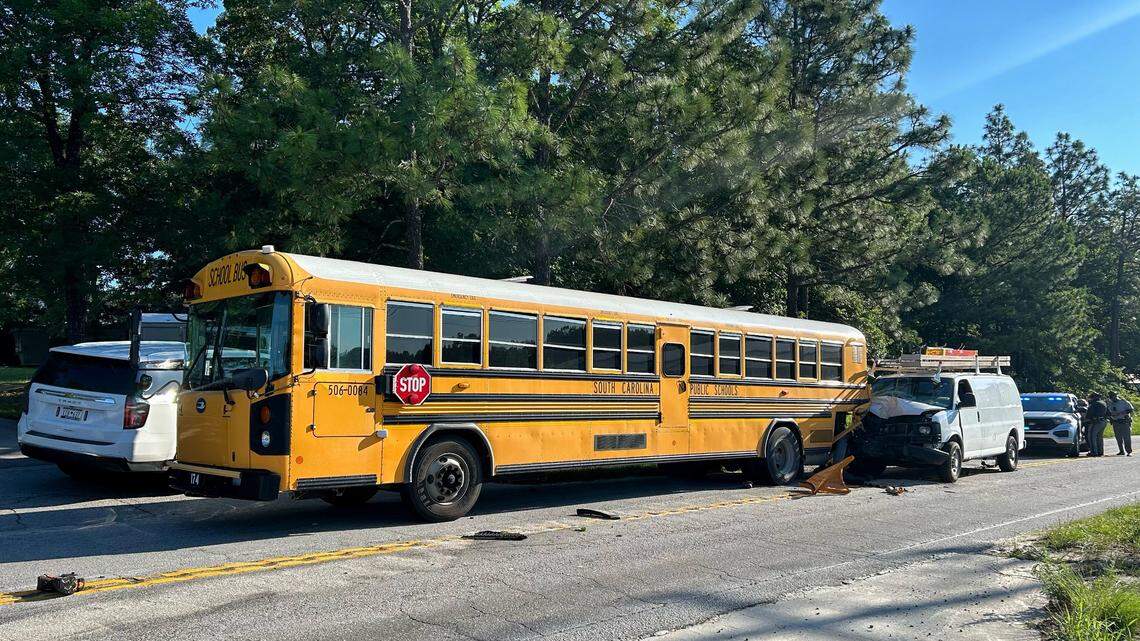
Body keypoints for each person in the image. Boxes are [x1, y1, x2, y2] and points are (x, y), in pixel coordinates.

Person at [1107, 392, 1134, 456]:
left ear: (1116, 396)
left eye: (1113, 396)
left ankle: (1129, 451)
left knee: (1126, 438)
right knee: (1118, 438)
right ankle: (1121, 451)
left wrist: (1122, 412)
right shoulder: (1110, 404)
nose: (1112, 398)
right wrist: (1111, 415)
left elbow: (1131, 409)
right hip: (1116, 422)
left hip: (1124, 421)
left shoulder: (1124, 402)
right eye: (1111, 397)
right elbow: (1109, 412)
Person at [1086, 393, 1109, 457]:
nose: (1090, 399)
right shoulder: (1104, 403)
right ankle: (1100, 452)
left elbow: (1089, 414)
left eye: (1091, 397)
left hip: (1096, 422)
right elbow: (1108, 413)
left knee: (1091, 437)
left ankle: (1094, 452)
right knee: (1099, 437)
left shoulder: (1094, 404)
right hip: (1104, 421)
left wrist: (1087, 419)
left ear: (1094, 398)